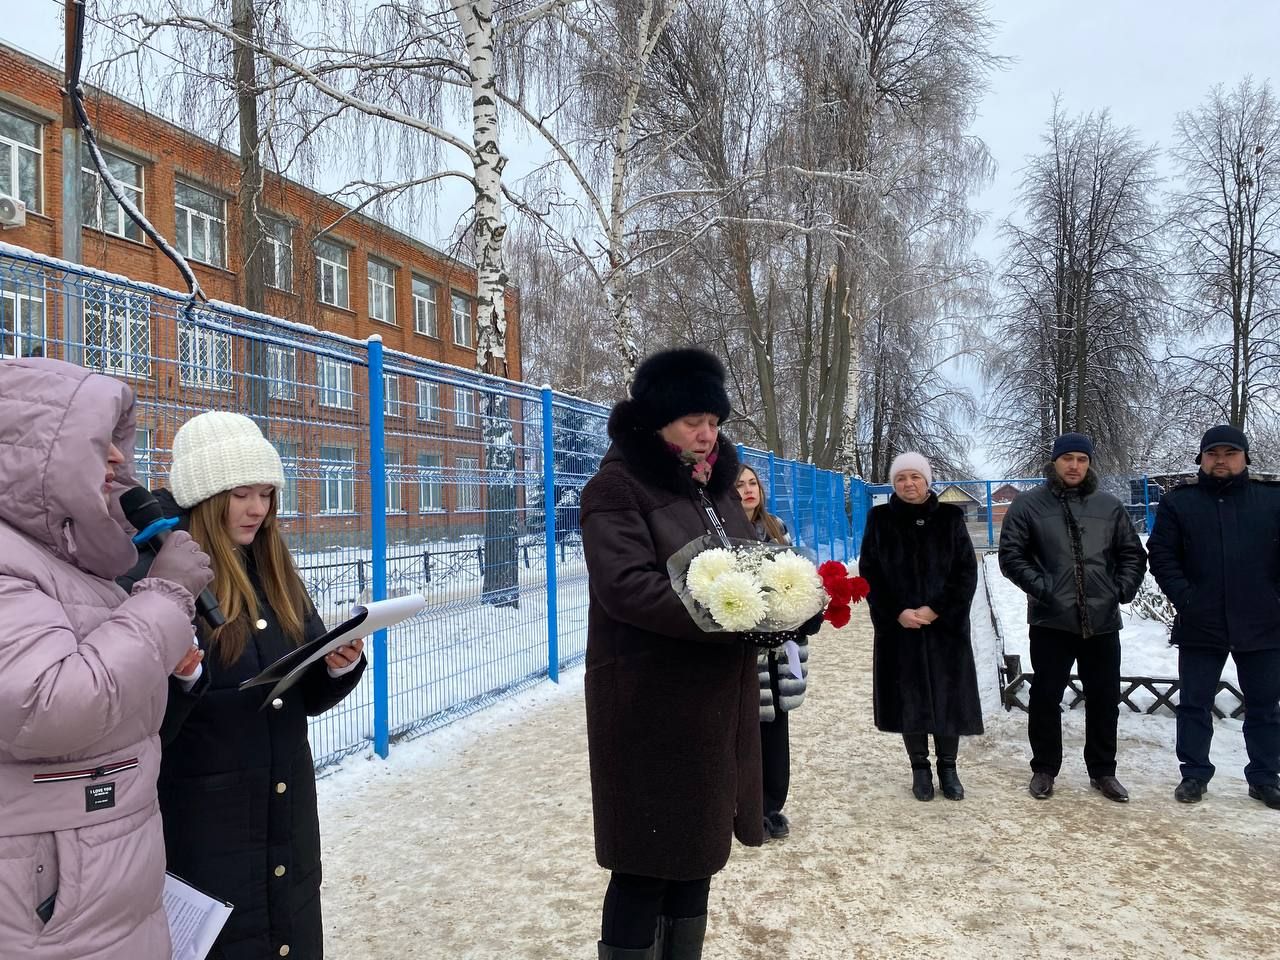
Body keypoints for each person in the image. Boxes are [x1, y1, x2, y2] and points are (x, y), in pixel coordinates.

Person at [120, 411, 367, 959]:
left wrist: (338, 664)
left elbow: (301, 694)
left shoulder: (272, 565)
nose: (258, 509)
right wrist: (181, 677)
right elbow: (138, 728)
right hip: (205, 828)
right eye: (241, 494)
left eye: (265, 494)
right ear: (206, 497)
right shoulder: (156, 574)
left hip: (287, 814)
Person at [0, 358, 213, 957]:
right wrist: (167, 597)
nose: (119, 460)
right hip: (52, 898)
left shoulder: (67, 558)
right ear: (35, 452)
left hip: (95, 872)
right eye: (98, 442)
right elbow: (46, 703)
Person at [582, 348, 764, 960]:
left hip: (713, 702)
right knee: (644, 861)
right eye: (693, 421)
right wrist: (732, 611)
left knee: (696, 856)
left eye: (713, 419)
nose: (708, 433)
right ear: (657, 418)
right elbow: (626, 586)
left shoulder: (714, 487)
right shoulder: (616, 486)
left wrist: (783, 605)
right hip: (646, 704)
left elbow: (747, 569)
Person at [998, 433, 1147, 802]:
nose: (1074, 465)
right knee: (1046, 696)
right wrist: (1045, 589)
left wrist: (1119, 590)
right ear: (1055, 462)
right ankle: (1045, 768)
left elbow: (1132, 553)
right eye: (1067, 459)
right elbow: (1011, 555)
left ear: (1090, 463)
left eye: (1082, 459)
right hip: (1051, 620)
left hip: (1102, 621)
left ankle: (1103, 771)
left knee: (1103, 697)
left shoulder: (1109, 506)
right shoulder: (1029, 506)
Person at [1147, 425, 1280, 810]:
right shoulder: (1180, 503)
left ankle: (1265, 778)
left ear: (1245, 458)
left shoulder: (1271, 501)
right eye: (1213, 454)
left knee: (1265, 706)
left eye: (1230, 453)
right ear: (1201, 459)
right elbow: (1163, 555)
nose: (1221, 460)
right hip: (1201, 622)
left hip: (1263, 622)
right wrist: (1187, 598)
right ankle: (1194, 774)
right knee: (1194, 703)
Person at [860, 452, 982, 801]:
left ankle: (948, 767)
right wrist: (897, 612)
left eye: (915, 477)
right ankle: (919, 768)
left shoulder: (950, 518)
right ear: (893, 484)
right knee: (907, 697)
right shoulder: (880, 519)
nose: (908, 484)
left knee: (948, 697)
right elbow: (871, 572)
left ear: (928, 482)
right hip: (900, 629)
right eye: (901, 478)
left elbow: (965, 572)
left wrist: (936, 610)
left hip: (945, 627)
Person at [736, 464, 808, 838]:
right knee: (748, 728)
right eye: (739, 485)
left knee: (778, 724)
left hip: (782, 646)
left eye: (752, 484)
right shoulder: (722, 531)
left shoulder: (777, 528)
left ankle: (773, 805)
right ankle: (749, 809)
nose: (748, 490)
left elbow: (796, 579)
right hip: (744, 649)